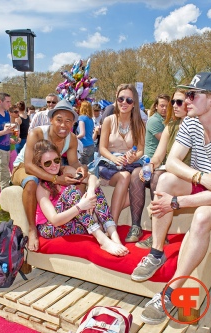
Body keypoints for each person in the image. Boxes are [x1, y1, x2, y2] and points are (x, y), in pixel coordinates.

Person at [131, 72, 211, 325]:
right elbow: (172, 162)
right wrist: (200, 177)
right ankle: (157, 252)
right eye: (186, 94)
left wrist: (174, 203)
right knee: (165, 180)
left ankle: (172, 290)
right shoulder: (190, 123)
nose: (186, 100)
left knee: (202, 215)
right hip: (207, 183)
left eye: (192, 95)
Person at [11, 99, 87, 251]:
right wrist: (56, 179)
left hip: (49, 166)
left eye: (68, 121)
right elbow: (29, 165)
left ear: (73, 124)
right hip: (24, 167)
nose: (63, 125)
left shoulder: (71, 138)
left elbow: (73, 163)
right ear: (51, 119)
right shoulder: (37, 133)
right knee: (32, 182)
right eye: (59, 120)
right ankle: (32, 229)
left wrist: (82, 169)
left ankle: (78, 218)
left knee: (79, 178)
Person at [34, 140, 128, 256]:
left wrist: (90, 191)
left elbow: (92, 178)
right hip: (51, 228)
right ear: (40, 166)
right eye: (47, 163)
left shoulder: (66, 171)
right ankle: (102, 240)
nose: (54, 165)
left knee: (94, 190)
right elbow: (55, 220)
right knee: (71, 190)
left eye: (56, 160)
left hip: (74, 223)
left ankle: (114, 237)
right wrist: (80, 206)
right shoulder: (42, 188)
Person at [133, 89, 190, 248]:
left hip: (187, 174)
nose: (175, 105)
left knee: (159, 178)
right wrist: (150, 165)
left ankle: (159, 235)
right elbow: (158, 156)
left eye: (179, 102)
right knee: (137, 173)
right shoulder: (170, 126)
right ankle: (136, 226)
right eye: (174, 102)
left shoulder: (195, 125)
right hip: (171, 170)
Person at [98, 84, 146, 234]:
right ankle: (113, 224)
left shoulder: (139, 123)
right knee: (125, 176)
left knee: (136, 180)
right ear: (116, 101)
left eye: (129, 100)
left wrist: (133, 157)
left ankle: (109, 222)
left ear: (134, 103)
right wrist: (114, 158)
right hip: (109, 166)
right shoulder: (109, 120)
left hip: (130, 165)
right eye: (121, 98)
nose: (124, 102)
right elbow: (102, 148)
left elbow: (141, 150)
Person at [144, 94, 170, 159]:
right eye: (162, 106)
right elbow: (166, 141)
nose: (164, 108)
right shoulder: (154, 120)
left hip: (161, 157)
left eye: (167, 106)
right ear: (156, 106)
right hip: (152, 159)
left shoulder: (166, 119)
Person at [77, 101, 95, 165]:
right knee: (91, 167)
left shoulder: (81, 118)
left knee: (84, 169)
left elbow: (82, 134)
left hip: (84, 146)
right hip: (91, 145)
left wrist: (74, 137)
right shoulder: (91, 119)